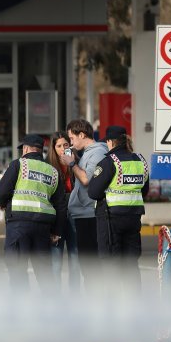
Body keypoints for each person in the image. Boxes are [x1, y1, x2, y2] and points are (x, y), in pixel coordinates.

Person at [0, 134, 66, 292]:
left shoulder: (19, 165)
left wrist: (2, 204)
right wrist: (57, 231)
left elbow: (2, 190)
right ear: (41, 150)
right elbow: (61, 205)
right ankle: (50, 308)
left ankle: (22, 308)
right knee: (44, 274)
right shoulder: (53, 172)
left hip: (19, 224)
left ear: (25, 149)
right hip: (43, 227)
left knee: (17, 270)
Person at [87, 125, 149, 292]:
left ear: (110, 142)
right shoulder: (140, 161)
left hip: (110, 219)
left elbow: (93, 192)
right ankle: (133, 300)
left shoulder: (109, 162)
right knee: (131, 262)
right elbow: (145, 190)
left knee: (110, 262)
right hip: (133, 218)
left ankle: (112, 304)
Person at [59, 119, 108, 288]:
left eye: (72, 138)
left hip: (89, 214)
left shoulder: (97, 153)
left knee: (90, 263)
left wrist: (72, 163)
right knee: (86, 263)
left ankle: (96, 299)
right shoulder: (88, 153)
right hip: (82, 213)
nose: (70, 142)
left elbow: (87, 179)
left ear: (82, 135)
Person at [46, 131, 80, 292]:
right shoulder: (49, 166)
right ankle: (55, 296)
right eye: (58, 146)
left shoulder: (76, 162)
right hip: (56, 216)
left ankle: (74, 295)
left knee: (75, 258)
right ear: (53, 148)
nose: (62, 149)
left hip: (74, 214)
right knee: (55, 261)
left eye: (65, 145)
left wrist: (73, 164)